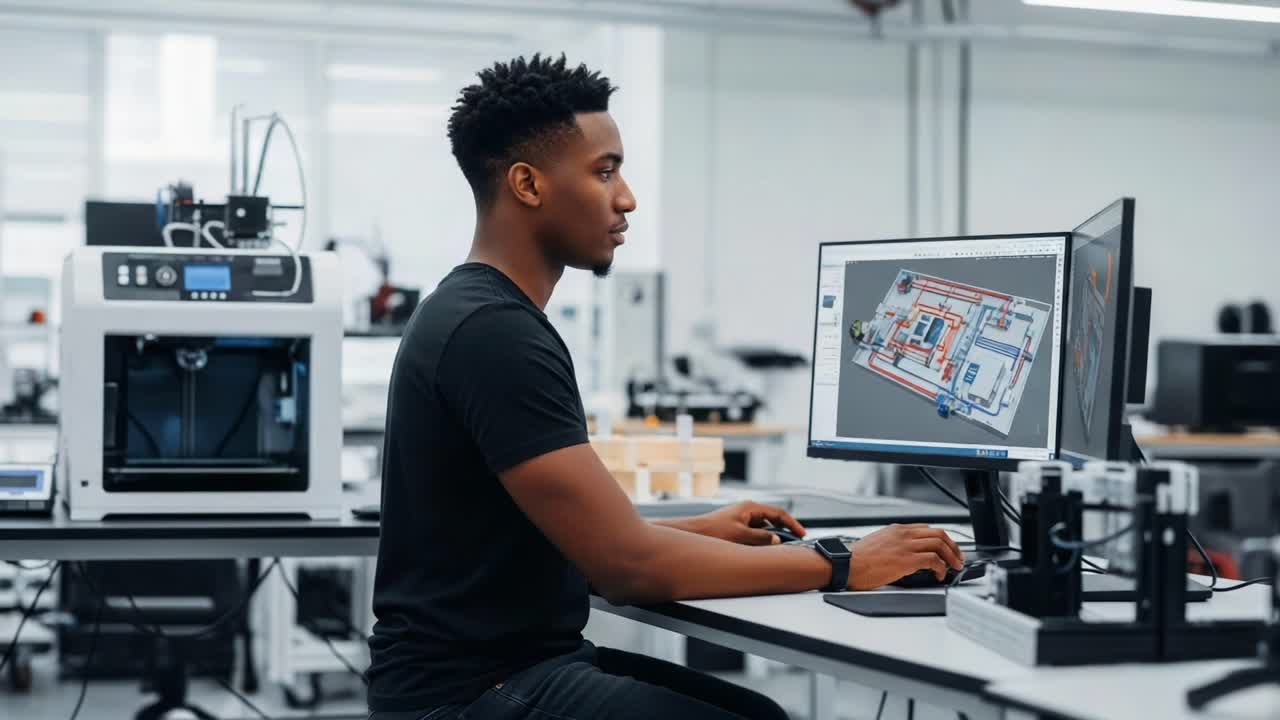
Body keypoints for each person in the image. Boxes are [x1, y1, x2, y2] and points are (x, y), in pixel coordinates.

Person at [367, 54, 964, 720]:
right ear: (528, 184)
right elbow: (626, 568)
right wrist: (843, 561)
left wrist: (700, 532)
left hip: (507, 669)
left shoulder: (479, 311)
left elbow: (580, 544)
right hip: (471, 695)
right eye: (604, 171)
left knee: (759, 713)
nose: (626, 198)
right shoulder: (492, 332)